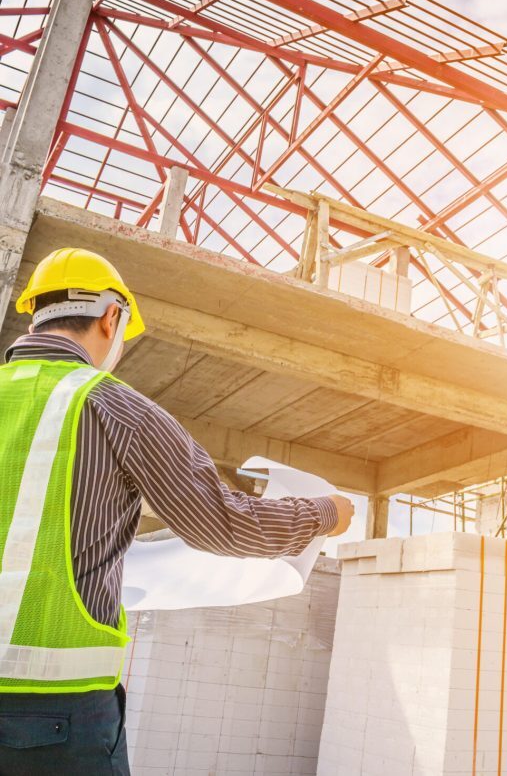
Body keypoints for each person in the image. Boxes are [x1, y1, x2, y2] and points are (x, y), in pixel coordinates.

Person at [0, 247, 354, 774]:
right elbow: (224, 523)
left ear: (36, 315)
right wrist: (324, 512)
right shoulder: (116, 409)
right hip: (56, 714)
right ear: (110, 317)